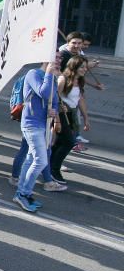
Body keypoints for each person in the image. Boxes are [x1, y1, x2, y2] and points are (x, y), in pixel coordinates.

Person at [14, 61, 60, 212]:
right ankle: (23, 193)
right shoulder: (34, 74)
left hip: (42, 124)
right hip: (31, 123)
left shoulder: (51, 77)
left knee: (31, 159)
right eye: (56, 57)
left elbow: (54, 100)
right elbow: (44, 93)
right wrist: (48, 73)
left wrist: (53, 110)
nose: (59, 60)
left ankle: (21, 193)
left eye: (60, 57)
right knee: (41, 160)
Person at [50, 56, 87, 184]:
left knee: (60, 142)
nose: (84, 69)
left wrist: (86, 118)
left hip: (71, 114)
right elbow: (55, 98)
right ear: (74, 66)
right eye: (82, 67)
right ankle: (54, 170)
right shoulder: (63, 79)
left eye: (85, 67)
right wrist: (57, 119)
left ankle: (49, 167)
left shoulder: (80, 80)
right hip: (61, 114)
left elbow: (80, 99)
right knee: (69, 142)